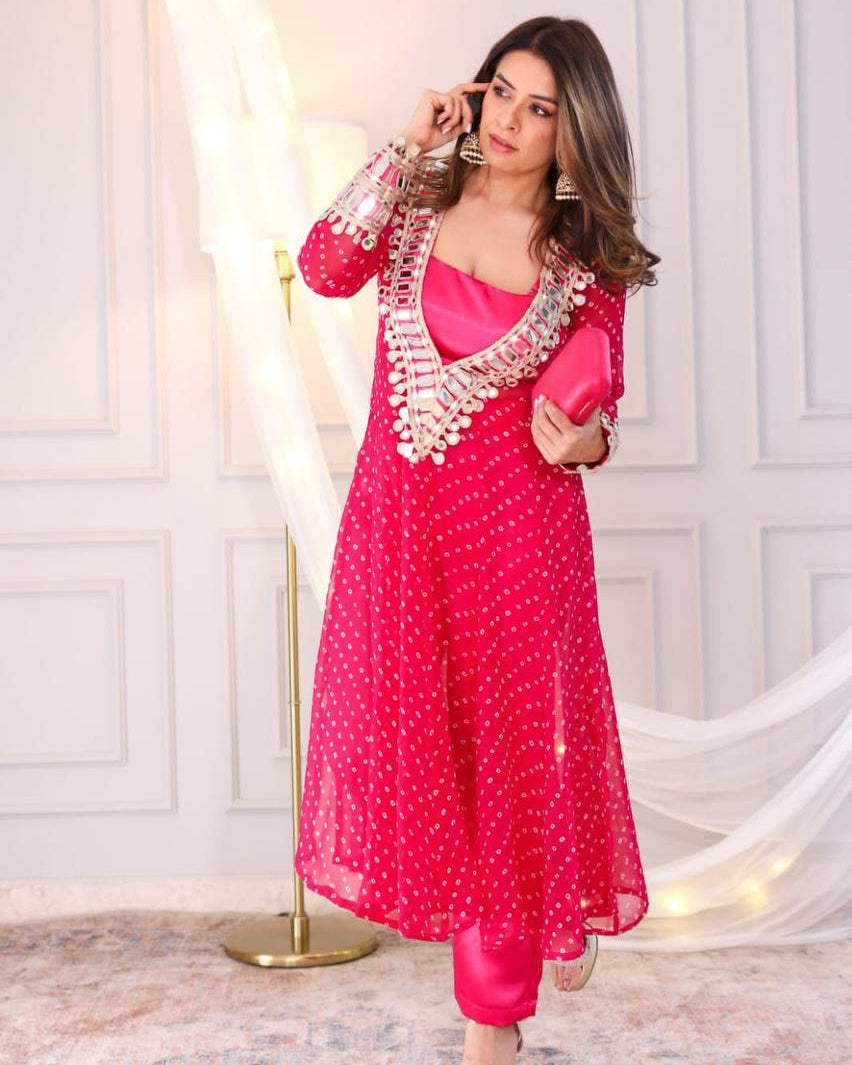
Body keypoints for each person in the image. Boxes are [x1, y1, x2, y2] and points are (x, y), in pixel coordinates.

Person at [293, 15, 659, 1064]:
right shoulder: (416, 203)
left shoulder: (584, 262)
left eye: (541, 109)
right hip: (402, 542)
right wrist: (407, 146)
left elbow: (597, 415)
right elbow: (323, 266)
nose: (510, 121)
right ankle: (535, 924)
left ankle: (490, 1029)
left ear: (571, 131)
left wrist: (588, 440)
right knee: (433, 770)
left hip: (514, 551)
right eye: (502, 91)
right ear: (476, 90)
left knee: (503, 777)